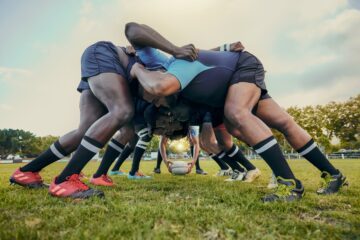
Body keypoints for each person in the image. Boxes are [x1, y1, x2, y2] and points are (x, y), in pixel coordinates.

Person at [125, 22, 347, 202]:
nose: (157, 104)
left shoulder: (170, 67)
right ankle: (334, 174)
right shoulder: (173, 87)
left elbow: (132, 29)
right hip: (230, 77)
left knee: (237, 114)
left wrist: (157, 57)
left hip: (241, 67)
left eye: (153, 98)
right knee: (281, 122)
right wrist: (221, 48)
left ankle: (289, 185)